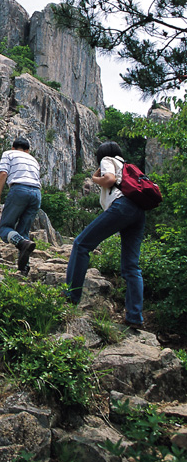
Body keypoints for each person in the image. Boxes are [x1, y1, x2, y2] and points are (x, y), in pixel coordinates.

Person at [65, 141, 146, 330]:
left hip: (122, 207)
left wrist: (95, 178)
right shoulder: (127, 166)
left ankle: (70, 297)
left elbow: (109, 179)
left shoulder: (107, 160)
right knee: (131, 266)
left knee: (81, 244)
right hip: (139, 212)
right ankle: (134, 317)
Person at [0, 136, 41, 273]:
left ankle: (21, 243)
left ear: (13, 147)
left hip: (19, 190)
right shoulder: (33, 159)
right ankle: (24, 268)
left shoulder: (9, 153)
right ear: (28, 150)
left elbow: (3, 173)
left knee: (4, 228)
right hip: (36, 193)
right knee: (23, 231)